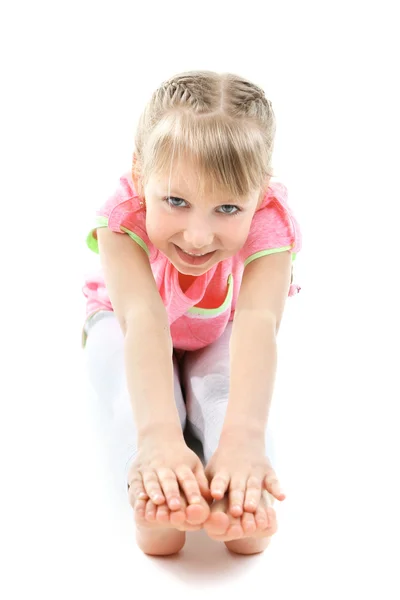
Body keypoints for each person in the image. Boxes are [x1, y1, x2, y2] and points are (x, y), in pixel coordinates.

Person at [82, 70, 302, 557]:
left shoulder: (271, 223)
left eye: (227, 209)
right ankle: (152, 484)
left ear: (260, 191)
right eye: (176, 202)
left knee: (221, 392)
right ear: (141, 176)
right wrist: (159, 435)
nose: (199, 237)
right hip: (124, 326)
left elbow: (257, 324)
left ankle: (239, 490)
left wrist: (243, 438)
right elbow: (142, 320)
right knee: (132, 397)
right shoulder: (123, 218)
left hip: (213, 330)